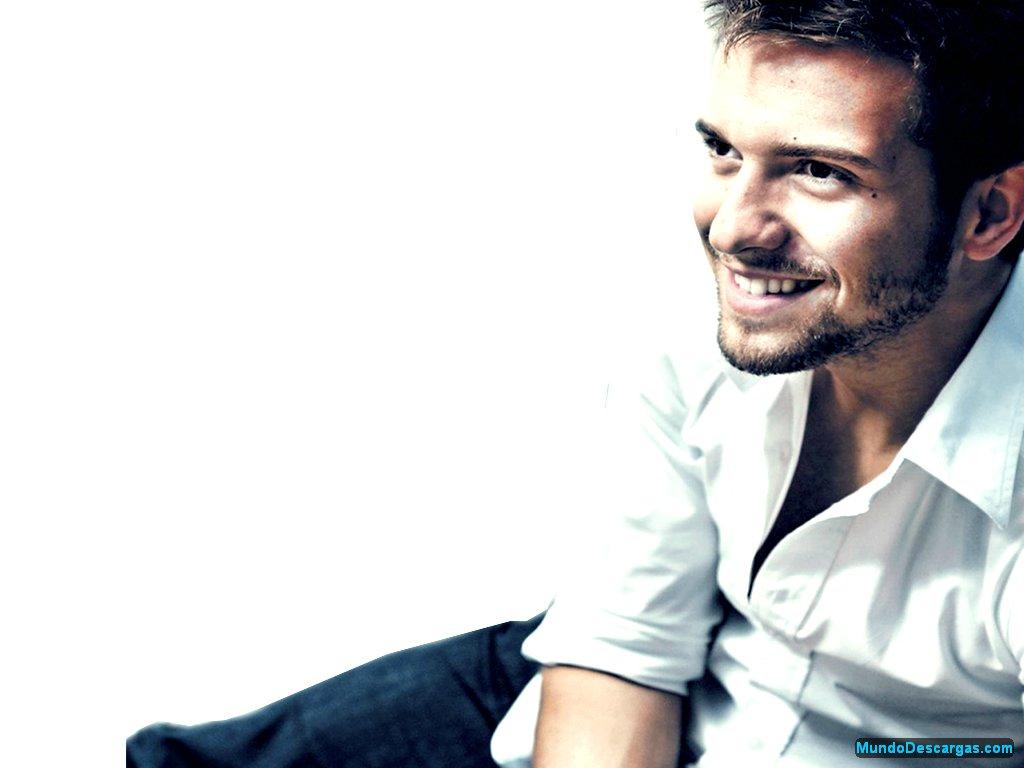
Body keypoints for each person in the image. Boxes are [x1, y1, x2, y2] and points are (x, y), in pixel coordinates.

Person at [128, 1, 1024, 766]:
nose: (733, 230)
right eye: (723, 152)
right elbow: (623, 646)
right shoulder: (725, 334)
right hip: (676, 672)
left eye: (819, 172)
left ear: (988, 214)